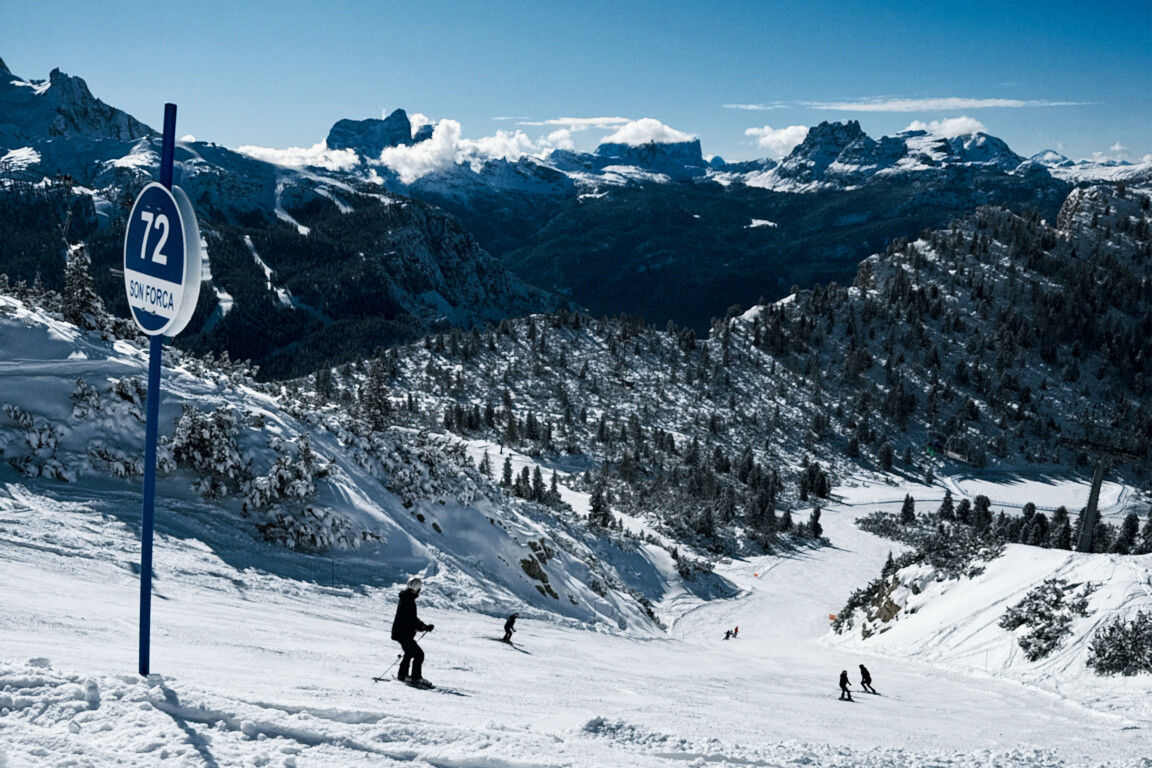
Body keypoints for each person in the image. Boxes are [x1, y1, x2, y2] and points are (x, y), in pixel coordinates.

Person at [391, 576, 434, 686]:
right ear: (417, 588)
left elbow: (410, 618)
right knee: (419, 655)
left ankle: (402, 675)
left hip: (400, 633)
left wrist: (423, 626)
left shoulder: (406, 597)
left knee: (409, 653)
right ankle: (416, 678)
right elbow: (411, 619)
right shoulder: (408, 600)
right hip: (403, 633)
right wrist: (424, 627)